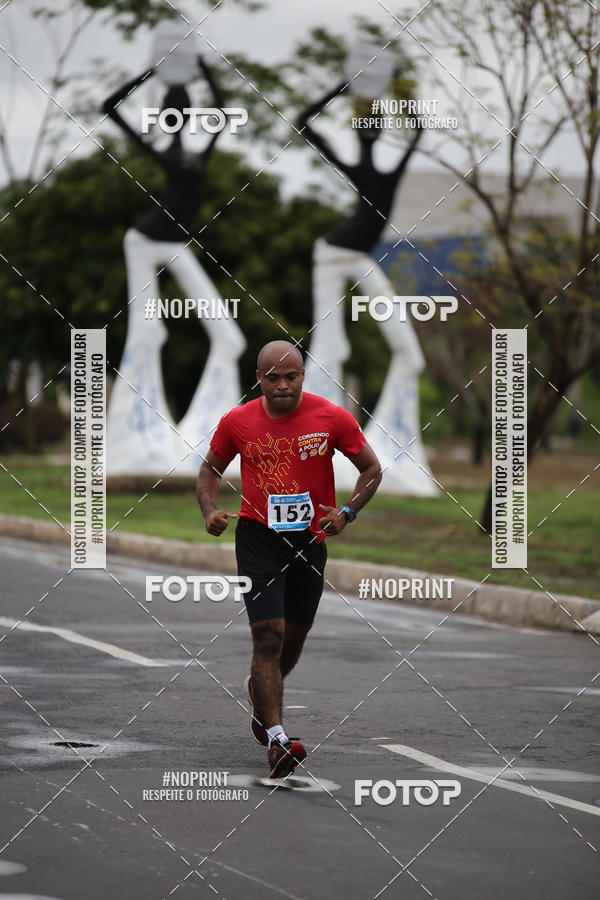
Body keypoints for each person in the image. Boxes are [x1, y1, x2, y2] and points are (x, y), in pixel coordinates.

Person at [196, 340, 382, 778]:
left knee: (293, 640)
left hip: (310, 542)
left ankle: (260, 696)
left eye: (291, 376)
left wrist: (347, 512)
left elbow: (371, 469)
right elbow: (210, 470)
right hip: (258, 539)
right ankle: (278, 739)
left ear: (303, 376)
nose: (282, 385)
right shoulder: (237, 422)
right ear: (258, 379)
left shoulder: (331, 418)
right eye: (272, 377)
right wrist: (208, 510)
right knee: (268, 637)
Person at [102, 57, 246, 476]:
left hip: (176, 245)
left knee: (229, 336)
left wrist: (199, 66)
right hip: (145, 243)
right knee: (148, 331)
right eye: (173, 111)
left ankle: (207, 439)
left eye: (185, 110)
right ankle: (136, 441)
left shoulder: (201, 150)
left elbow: (221, 105)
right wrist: (150, 71)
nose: (180, 116)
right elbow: (109, 107)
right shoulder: (162, 150)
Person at [296, 85, 434, 496]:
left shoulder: (391, 170)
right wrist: (339, 89)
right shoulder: (357, 167)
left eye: (375, 127)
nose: (371, 134)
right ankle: (313, 447)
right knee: (329, 351)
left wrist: (403, 96)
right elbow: (304, 124)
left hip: (356, 259)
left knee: (410, 354)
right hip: (330, 256)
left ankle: (393, 448)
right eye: (366, 127)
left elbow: (419, 132)